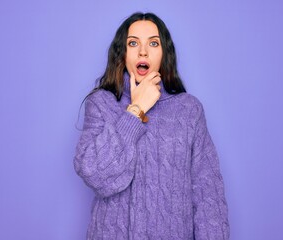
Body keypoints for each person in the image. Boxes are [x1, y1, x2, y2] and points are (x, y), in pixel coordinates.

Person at [73, 12, 230, 240]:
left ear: (164, 53)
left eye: (153, 43)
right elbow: (96, 175)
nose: (143, 51)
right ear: (122, 53)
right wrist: (136, 109)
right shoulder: (101, 104)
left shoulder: (189, 111)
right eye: (133, 43)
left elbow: (208, 198)